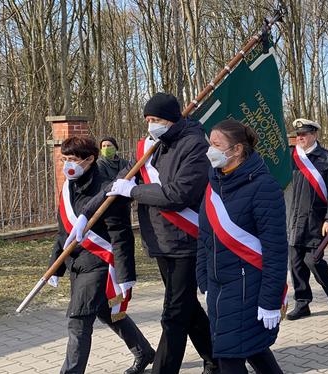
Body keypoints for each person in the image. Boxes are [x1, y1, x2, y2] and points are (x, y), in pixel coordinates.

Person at [68, 93, 217, 373]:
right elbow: (117, 183)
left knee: (173, 313)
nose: (151, 126)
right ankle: (215, 359)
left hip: (187, 241)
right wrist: (87, 212)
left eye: (156, 120)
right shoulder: (151, 147)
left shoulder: (195, 146)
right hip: (161, 241)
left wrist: (134, 191)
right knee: (187, 307)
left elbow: (179, 194)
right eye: (147, 120)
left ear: (172, 119)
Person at [49, 136, 154, 374]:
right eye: (64, 159)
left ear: (89, 159)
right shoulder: (68, 187)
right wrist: (56, 266)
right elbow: (63, 231)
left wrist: (126, 274)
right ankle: (144, 352)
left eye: (72, 159)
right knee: (108, 311)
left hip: (99, 263)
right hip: (76, 262)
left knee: (79, 321)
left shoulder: (107, 190)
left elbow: (121, 234)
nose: (67, 164)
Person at [196, 120, 288, 374]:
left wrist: (270, 301)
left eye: (216, 145)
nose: (209, 151)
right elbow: (204, 237)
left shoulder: (263, 187)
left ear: (236, 150)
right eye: (209, 144)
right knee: (253, 350)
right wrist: (203, 279)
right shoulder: (213, 184)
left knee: (229, 357)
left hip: (249, 287)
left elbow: (276, 249)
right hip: (218, 289)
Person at [286, 118, 328, 320]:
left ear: (314, 135)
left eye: (305, 134)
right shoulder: (290, 157)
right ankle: (302, 303)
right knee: (296, 264)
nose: (300, 137)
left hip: (316, 220)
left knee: (313, 260)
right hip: (293, 219)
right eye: (298, 135)